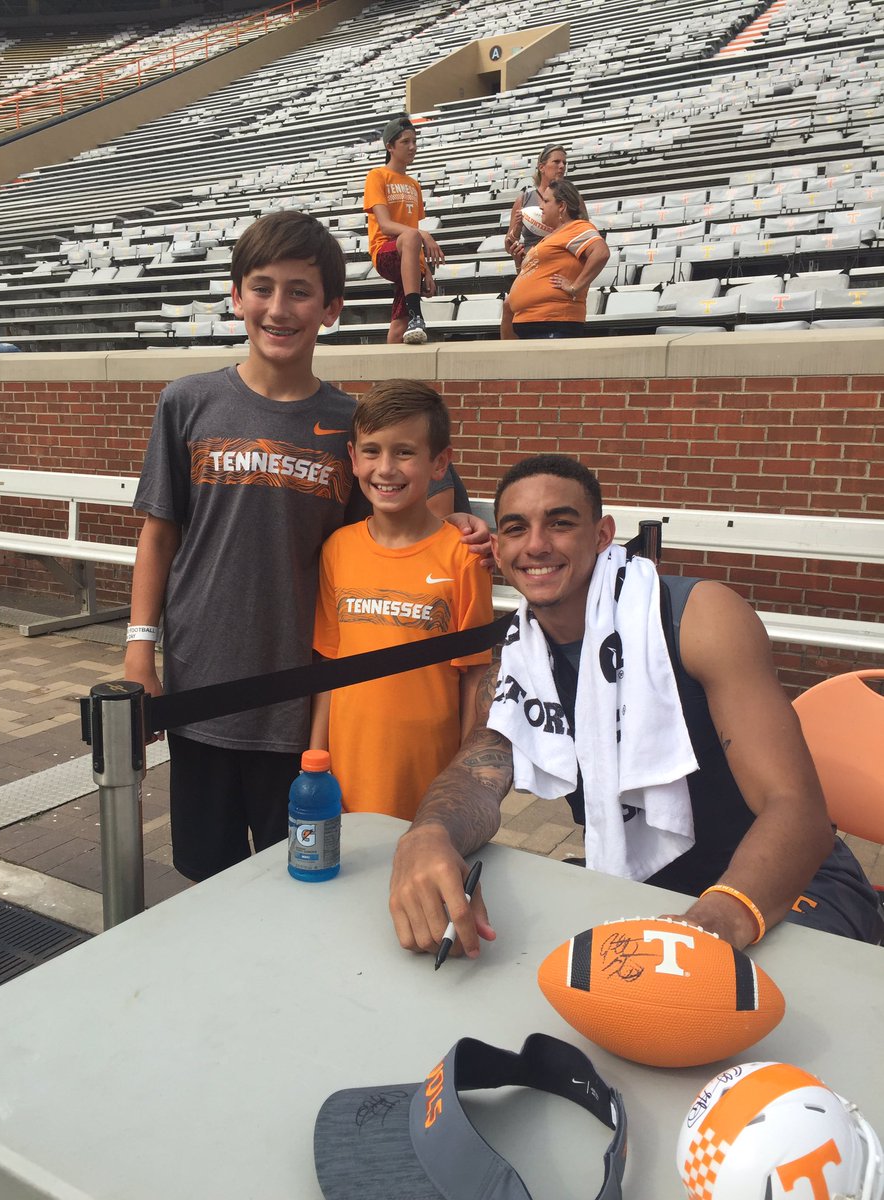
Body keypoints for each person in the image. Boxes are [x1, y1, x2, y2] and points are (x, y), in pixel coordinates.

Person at [389, 454, 884, 957]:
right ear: (498, 548)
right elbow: (477, 773)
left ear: (603, 535)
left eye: (560, 523)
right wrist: (427, 835)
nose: (536, 544)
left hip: (787, 889)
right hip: (641, 888)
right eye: (517, 529)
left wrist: (716, 918)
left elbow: (798, 810)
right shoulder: (519, 663)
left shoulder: (698, 618)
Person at [124, 211, 488, 884]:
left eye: (300, 291)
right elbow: (159, 534)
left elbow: (412, 510)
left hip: (306, 705)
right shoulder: (187, 402)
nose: (279, 307)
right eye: (262, 288)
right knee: (207, 876)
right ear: (236, 297)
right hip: (201, 689)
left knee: (303, 875)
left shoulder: (353, 425)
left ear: (331, 309)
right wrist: (139, 651)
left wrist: (462, 527)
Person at [311, 380, 493, 820]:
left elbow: (474, 677)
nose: (386, 468)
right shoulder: (338, 548)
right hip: (349, 769)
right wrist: (316, 756)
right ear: (353, 458)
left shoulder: (463, 556)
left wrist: (463, 774)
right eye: (372, 451)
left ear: (439, 463)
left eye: (405, 452)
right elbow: (329, 666)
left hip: (429, 776)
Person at [363, 115, 444, 346]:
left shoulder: (413, 184)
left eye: (414, 142)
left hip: (409, 257)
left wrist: (426, 271)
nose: (412, 147)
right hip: (386, 252)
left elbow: (413, 231)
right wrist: (423, 235)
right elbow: (387, 225)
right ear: (390, 147)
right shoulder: (377, 176)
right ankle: (418, 315)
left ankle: (392, 380)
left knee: (400, 325)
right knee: (411, 235)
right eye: (405, 142)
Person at [507, 179, 610, 340]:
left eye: (547, 201)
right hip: (530, 323)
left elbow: (601, 252)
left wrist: (575, 287)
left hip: (553, 322)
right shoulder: (551, 237)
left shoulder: (577, 227)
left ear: (561, 206)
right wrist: (519, 262)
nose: (541, 206)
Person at [500, 144, 568, 339]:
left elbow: (582, 229)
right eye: (556, 162)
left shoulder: (570, 197)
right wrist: (516, 232)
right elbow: (509, 241)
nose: (562, 166)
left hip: (558, 261)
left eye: (564, 162)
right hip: (530, 263)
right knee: (509, 307)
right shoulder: (525, 199)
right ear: (541, 167)